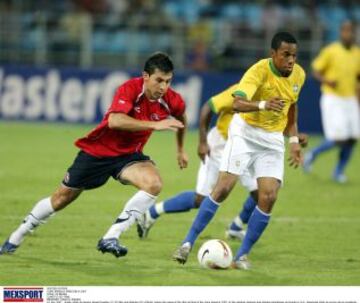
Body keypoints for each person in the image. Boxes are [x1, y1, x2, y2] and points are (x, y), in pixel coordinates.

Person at [0, 52, 188, 258]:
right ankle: (16, 236)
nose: (163, 87)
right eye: (159, 80)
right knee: (61, 198)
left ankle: (111, 237)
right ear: (146, 76)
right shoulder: (130, 88)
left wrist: (180, 149)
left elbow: (181, 118)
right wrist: (155, 124)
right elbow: (115, 121)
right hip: (98, 152)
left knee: (154, 184)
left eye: (168, 81)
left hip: (129, 157)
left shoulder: (172, 100)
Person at [172, 32, 306, 270]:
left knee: (268, 196)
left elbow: (291, 107)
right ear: (273, 54)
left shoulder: (299, 75)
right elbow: (237, 104)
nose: (291, 60)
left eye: (294, 55)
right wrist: (263, 104)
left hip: (273, 139)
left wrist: (294, 139)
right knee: (223, 188)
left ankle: (241, 256)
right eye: (286, 55)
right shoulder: (257, 72)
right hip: (245, 133)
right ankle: (187, 243)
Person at [137, 84, 309, 241]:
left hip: (248, 147)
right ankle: (151, 213)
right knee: (201, 199)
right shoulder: (241, 91)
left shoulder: (270, 96)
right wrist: (203, 142)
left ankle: (236, 227)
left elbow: (271, 125)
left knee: (262, 193)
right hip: (220, 146)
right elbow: (208, 107)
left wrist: (294, 136)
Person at [303, 20, 360, 183]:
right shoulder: (331, 51)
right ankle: (312, 154)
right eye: (346, 31)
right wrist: (327, 81)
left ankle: (338, 172)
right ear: (341, 32)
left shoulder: (357, 53)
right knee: (338, 138)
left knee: (353, 138)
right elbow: (315, 71)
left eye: (351, 31)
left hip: (350, 99)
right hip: (333, 98)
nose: (349, 34)